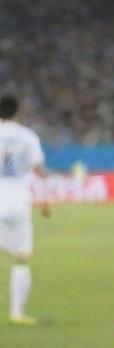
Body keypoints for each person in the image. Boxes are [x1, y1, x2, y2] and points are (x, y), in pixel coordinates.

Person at [0, 94, 50, 325]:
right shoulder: (27, 136)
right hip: (18, 202)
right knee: (22, 259)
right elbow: (38, 170)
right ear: (17, 111)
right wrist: (46, 199)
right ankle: (17, 313)